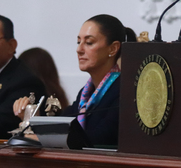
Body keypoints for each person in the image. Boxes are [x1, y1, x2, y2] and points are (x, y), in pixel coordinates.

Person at [14, 14, 134, 147]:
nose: (79, 50)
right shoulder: (86, 92)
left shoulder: (125, 90)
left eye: (89, 43)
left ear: (113, 48)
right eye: (78, 42)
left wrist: (41, 137)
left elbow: (99, 138)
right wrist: (32, 117)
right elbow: (63, 123)